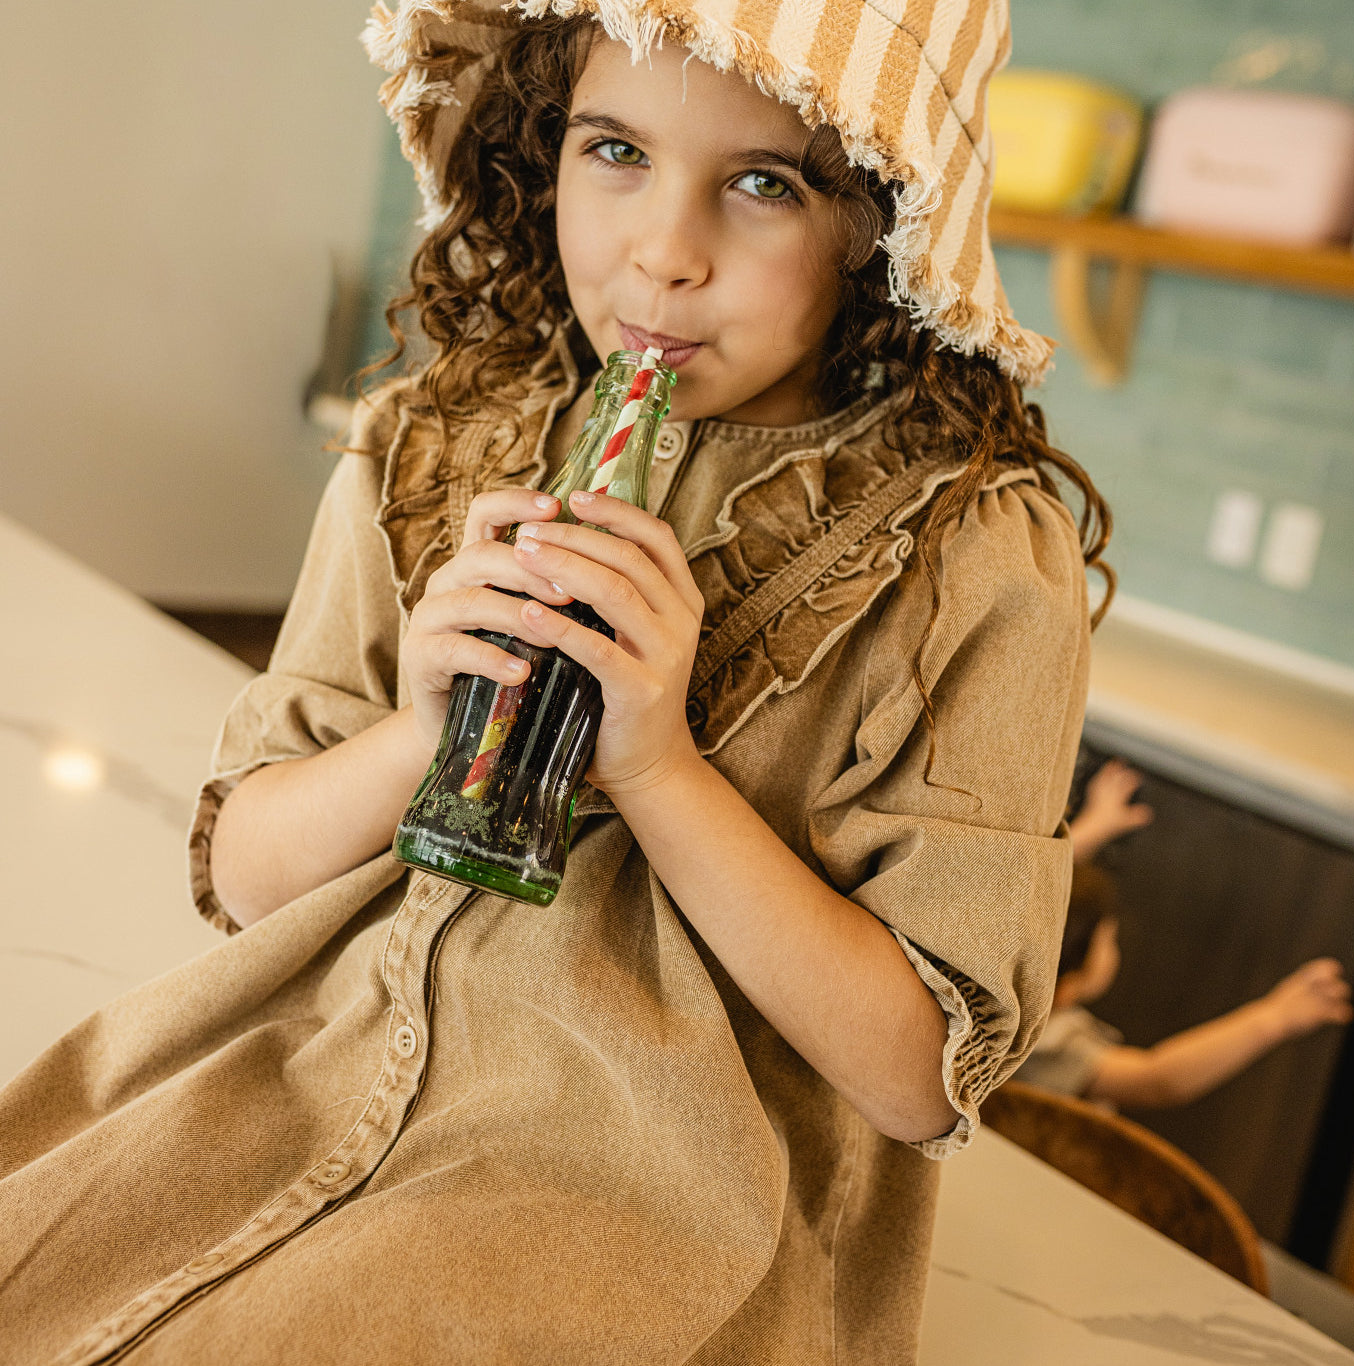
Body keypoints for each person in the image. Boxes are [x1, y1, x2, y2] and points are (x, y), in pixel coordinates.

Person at [0, 1, 1113, 1360]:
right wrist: (418, 731)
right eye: (614, 150)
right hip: (274, 1086)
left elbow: (916, 1078)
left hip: (621, 1219)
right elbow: (246, 876)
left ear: (880, 223)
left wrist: (658, 766)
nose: (662, 251)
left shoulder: (972, 560)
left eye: (764, 184)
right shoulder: (422, 443)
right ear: (544, 147)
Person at [1018, 759, 1354, 1106]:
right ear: (1068, 986)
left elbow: (1026, 906)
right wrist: (1277, 1017)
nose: (1115, 945)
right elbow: (1157, 1079)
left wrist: (1093, 827)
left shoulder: (1006, 1003)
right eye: (1108, 940)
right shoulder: (1049, 1045)